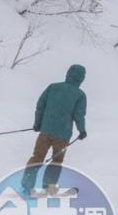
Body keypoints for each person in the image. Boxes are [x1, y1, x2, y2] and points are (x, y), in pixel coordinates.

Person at [21, 64, 87, 196]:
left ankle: (27, 186)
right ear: (81, 78)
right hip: (62, 136)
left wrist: (37, 123)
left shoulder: (53, 87)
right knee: (56, 161)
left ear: (68, 73)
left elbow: (40, 106)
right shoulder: (80, 95)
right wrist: (82, 130)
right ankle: (48, 187)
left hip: (45, 131)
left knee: (37, 157)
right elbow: (78, 115)